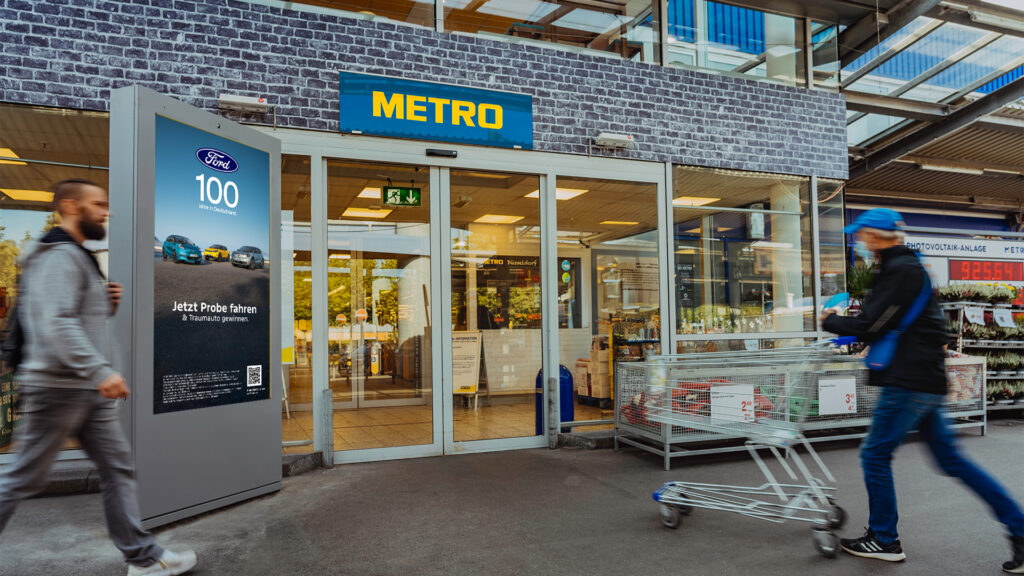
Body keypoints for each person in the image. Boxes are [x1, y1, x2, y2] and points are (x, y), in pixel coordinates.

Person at [0, 179, 197, 576]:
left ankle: (143, 558)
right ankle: (143, 556)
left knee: (117, 469)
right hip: (59, 387)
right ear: (71, 207)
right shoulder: (58, 255)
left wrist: (100, 306)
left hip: (82, 388)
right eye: (98, 205)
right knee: (24, 476)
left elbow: (70, 318)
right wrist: (101, 370)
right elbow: (55, 325)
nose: (106, 212)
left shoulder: (78, 255)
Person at [821, 208, 1024, 573]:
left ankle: (884, 538)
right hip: (925, 379)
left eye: (864, 234)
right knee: (952, 460)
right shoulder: (908, 266)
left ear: (879, 236)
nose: (861, 240)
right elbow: (894, 323)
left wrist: (829, 321)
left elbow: (872, 323)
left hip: (909, 382)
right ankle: (1020, 528)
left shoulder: (900, 270)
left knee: (874, 455)